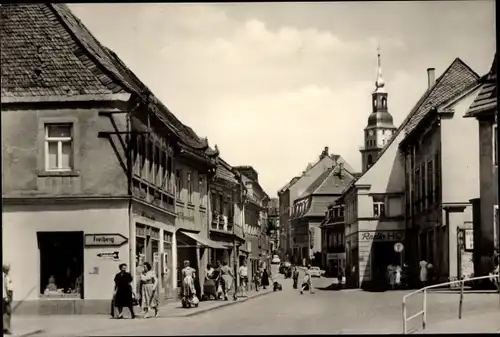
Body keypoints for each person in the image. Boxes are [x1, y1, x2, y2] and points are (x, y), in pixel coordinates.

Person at [3, 264, 13, 335]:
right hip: (5, 298)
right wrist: (10, 297)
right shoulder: (6, 277)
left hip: (4, 297)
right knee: (7, 313)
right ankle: (6, 329)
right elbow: (9, 289)